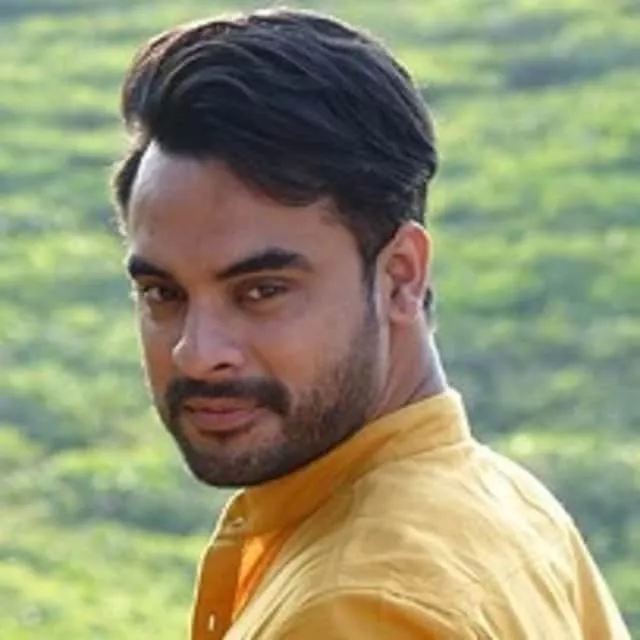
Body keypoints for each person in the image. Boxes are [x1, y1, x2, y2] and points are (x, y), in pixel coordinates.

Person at [111, 8, 630, 639]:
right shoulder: (509, 507)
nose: (197, 353)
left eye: (262, 291)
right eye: (162, 293)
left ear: (400, 277)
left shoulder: (355, 609)